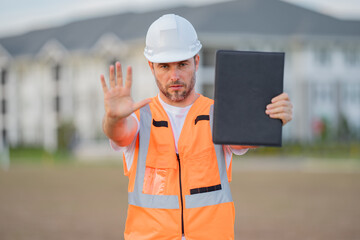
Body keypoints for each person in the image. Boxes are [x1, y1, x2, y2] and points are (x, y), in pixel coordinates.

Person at [101, 14, 292, 240]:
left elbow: (248, 135)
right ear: (151, 67)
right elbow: (119, 134)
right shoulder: (137, 118)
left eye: (182, 64)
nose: (174, 76)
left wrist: (274, 116)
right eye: (164, 66)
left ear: (196, 62)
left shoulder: (218, 114)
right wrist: (112, 118)